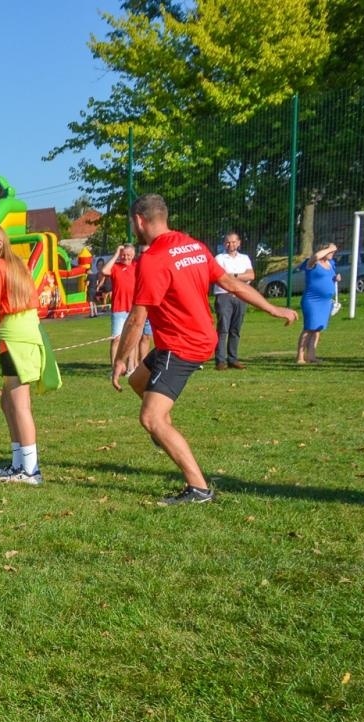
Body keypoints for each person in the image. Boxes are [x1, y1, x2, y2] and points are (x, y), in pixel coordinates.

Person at [114, 195, 297, 504]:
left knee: (151, 418)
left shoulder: (153, 259)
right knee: (138, 382)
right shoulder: (194, 246)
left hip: (182, 345)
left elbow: (137, 317)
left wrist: (120, 359)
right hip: (194, 337)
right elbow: (232, 284)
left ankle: (198, 488)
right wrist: (273, 309)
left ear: (139, 221)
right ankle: (165, 434)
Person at [0, 224, 58, 486]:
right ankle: (18, 463)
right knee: (8, 403)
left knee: (19, 404)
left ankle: (31, 469)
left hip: (15, 338)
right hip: (24, 334)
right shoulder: (18, 264)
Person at [101, 244, 150, 373]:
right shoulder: (116, 267)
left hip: (133, 308)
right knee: (116, 339)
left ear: (133, 255)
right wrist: (116, 253)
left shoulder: (137, 266)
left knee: (132, 339)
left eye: (128, 255)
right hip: (119, 309)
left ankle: (131, 368)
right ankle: (114, 368)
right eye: (123, 255)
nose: (126, 257)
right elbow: (104, 271)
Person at [212, 231, 254, 369]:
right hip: (224, 295)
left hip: (241, 295)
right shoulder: (219, 258)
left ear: (239, 242)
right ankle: (220, 360)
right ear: (224, 244)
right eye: (228, 242)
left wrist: (233, 276)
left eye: (234, 241)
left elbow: (251, 275)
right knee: (223, 328)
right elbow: (221, 277)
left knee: (235, 329)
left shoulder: (245, 258)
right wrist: (241, 276)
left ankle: (233, 358)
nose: (231, 244)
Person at [297, 242, 340, 365]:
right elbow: (315, 256)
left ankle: (311, 356)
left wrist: (336, 278)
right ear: (323, 250)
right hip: (312, 300)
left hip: (325, 302)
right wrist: (330, 248)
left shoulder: (331, 264)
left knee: (317, 329)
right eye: (330, 251)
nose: (332, 253)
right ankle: (300, 356)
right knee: (309, 328)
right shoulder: (312, 263)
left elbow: (328, 277)